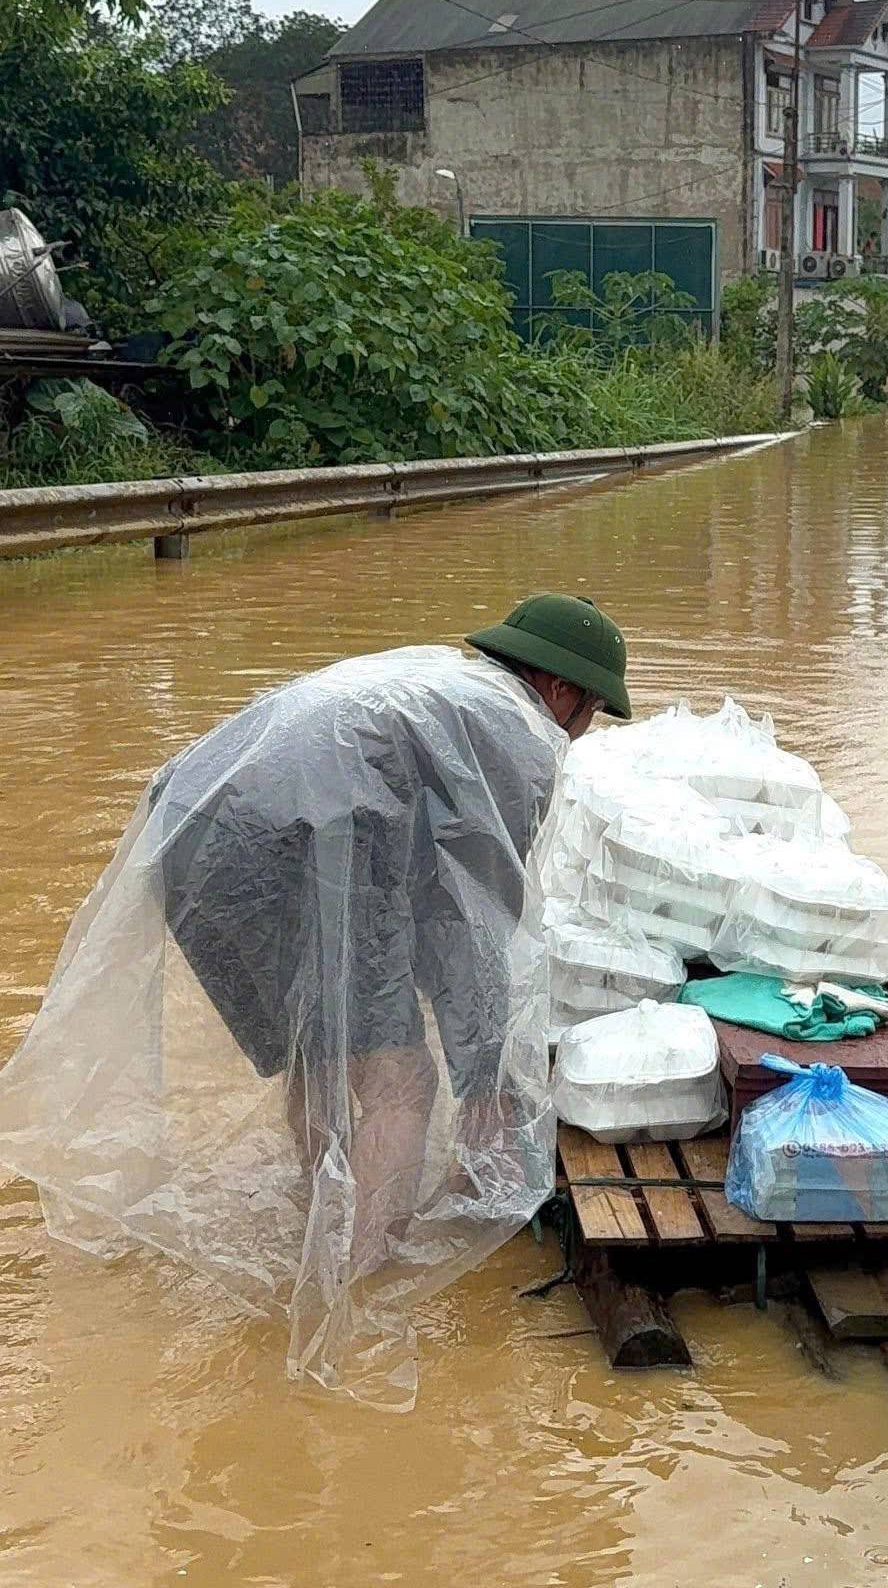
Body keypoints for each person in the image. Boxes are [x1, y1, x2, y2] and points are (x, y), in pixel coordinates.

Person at [0, 593, 631, 1408]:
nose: (579, 735)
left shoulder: (437, 679)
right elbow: (471, 918)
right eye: (588, 714)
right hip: (280, 844)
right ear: (557, 689)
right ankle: (359, 1283)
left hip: (189, 827)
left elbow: (433, 891)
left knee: (329, 1045)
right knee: (402, 1080)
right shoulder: (518, 737)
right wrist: (485, 1075)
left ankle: (321, 1211)